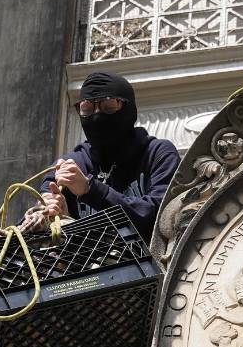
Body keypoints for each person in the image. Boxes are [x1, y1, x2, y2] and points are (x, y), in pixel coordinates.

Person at [25, 71, 179, 241]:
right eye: (86, 109)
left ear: (129, 108)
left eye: (108, 107)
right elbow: (30, 231)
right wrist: (50, 212)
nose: (97, 117)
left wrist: (90, 190)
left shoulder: (157, 154)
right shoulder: (69, 166)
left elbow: (163, 217)